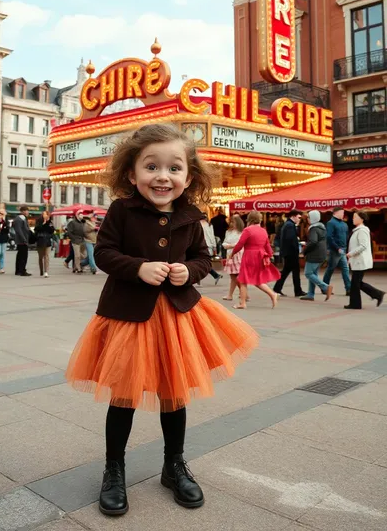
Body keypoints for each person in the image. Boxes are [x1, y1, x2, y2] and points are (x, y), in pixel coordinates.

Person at [65, 123, 259, 517]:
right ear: (132, 173)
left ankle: (174, 465)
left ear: (189, 176)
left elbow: (204, 258)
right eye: (151, 167)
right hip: (128, 317)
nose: (163, 176)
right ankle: (114, 469)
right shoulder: (121, 210)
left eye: (174, 168)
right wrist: (138, 268)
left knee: (175, 394)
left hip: (177, 316)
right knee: (123, 397)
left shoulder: (191, 214)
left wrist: (190, 271)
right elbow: (104, 253)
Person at [232, 210, 280, 309]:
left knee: (243, 279)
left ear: (250, 219)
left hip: (249, 256)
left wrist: (232, 253)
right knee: (256, 279)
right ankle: (272, 294)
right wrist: (270, 255)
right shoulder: (263, 230)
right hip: (260, 256)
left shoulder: (248, 230)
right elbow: (267, 245)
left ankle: (243, 303)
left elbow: (240, 244)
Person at [345, 211, 385, 310]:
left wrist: (351, 253)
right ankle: (377, 294)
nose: (353, 219)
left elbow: (363, 246)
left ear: (361, 219)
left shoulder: (362, 230)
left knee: (355, 283)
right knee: (357, 283)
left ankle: (356, 303)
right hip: (357, 260)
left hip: (360, 260)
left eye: (355, 217)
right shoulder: (357, 230)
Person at [300, 211, 333, 302]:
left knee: (308, 273)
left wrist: (305, 250)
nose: (307, 219)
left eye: (309, 217)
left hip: (314, 254)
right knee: (313, 274)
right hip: (321, 254)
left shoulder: (313, 229)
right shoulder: (322, 227)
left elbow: (313, 241)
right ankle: (310, 294)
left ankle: (325, 287)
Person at [273, 209, 306, 297]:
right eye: (299, 217)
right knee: (290, 271)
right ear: (293, 216)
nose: (300, 219)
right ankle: (296, 290)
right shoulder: (290, 225)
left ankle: (280, 289)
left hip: (288, 252)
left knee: (289, 271)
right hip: (291, 253)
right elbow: (290, 239)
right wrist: (297, 246)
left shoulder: (288, 224)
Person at [323, 206, 351, 296]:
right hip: (335, 250)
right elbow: (329, 237)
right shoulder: (331, 223)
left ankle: (348, 289)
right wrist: (336, 247)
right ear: (336, 213)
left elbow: (346, 235)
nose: (343, 214)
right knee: (331, 269)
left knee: (345, 269)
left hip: (343, 249)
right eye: (342, 212)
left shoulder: (344, 224)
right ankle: (325, 287)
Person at [222, 214, 246, 302]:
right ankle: (231, 294)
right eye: (231, 222)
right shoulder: (228, 232)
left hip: (238, 255)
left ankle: (243, 293)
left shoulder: (242, 232)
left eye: (234, 222)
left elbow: (241, 244)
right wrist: (229, 246)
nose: (232, 223)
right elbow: (224, 243)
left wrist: (230, 246)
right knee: (232, 276)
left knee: (237, 276)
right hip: (230, 255)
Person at [200, 214, 223, 285]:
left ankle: (215, 275)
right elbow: (212, 236)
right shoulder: (209, 225)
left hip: (202, 246)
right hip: (209, 246)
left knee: (202, 262)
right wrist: (214, 246)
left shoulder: (199, 225)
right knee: (202, 262)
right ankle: (215, 275)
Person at [34, 211, 55, 278]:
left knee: (46, 256)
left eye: (46, 214)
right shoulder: (39, 221)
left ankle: (46, 271)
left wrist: (48, 223)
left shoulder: (50, 222)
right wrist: (43, 224)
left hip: (47, 241)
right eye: (44, 214)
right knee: (41, 257)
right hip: (40, 241)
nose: (45, 216)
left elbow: (51, 231)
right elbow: (36, 229)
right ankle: (41, 270)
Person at [13, 206, 32, 277]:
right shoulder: (19, 219)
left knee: (20, 255)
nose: (27, 212)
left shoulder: (23, 218)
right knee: (23, 256)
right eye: (26, 211)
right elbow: (19, 230)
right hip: (21, 240)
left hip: (24, 239)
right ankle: (22, 271)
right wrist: (24, 239)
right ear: (23, 211)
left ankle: (19, 270)